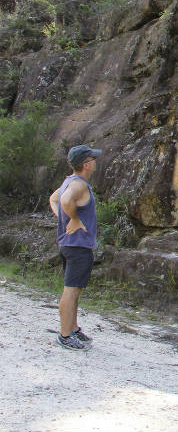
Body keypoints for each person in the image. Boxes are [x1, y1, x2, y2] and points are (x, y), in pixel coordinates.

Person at [49, 144, 102, 350]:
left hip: (69, 244)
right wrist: (73, 218)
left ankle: (73, 329)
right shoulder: (78, 185)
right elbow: (64, 200)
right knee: (70, 291)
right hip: (78, 246)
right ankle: (65, 335)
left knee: (74, 289)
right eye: (93, 159)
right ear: (86, 164)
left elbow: (53, 199)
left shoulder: (69, 181)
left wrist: (64, 218)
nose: (95, 162)